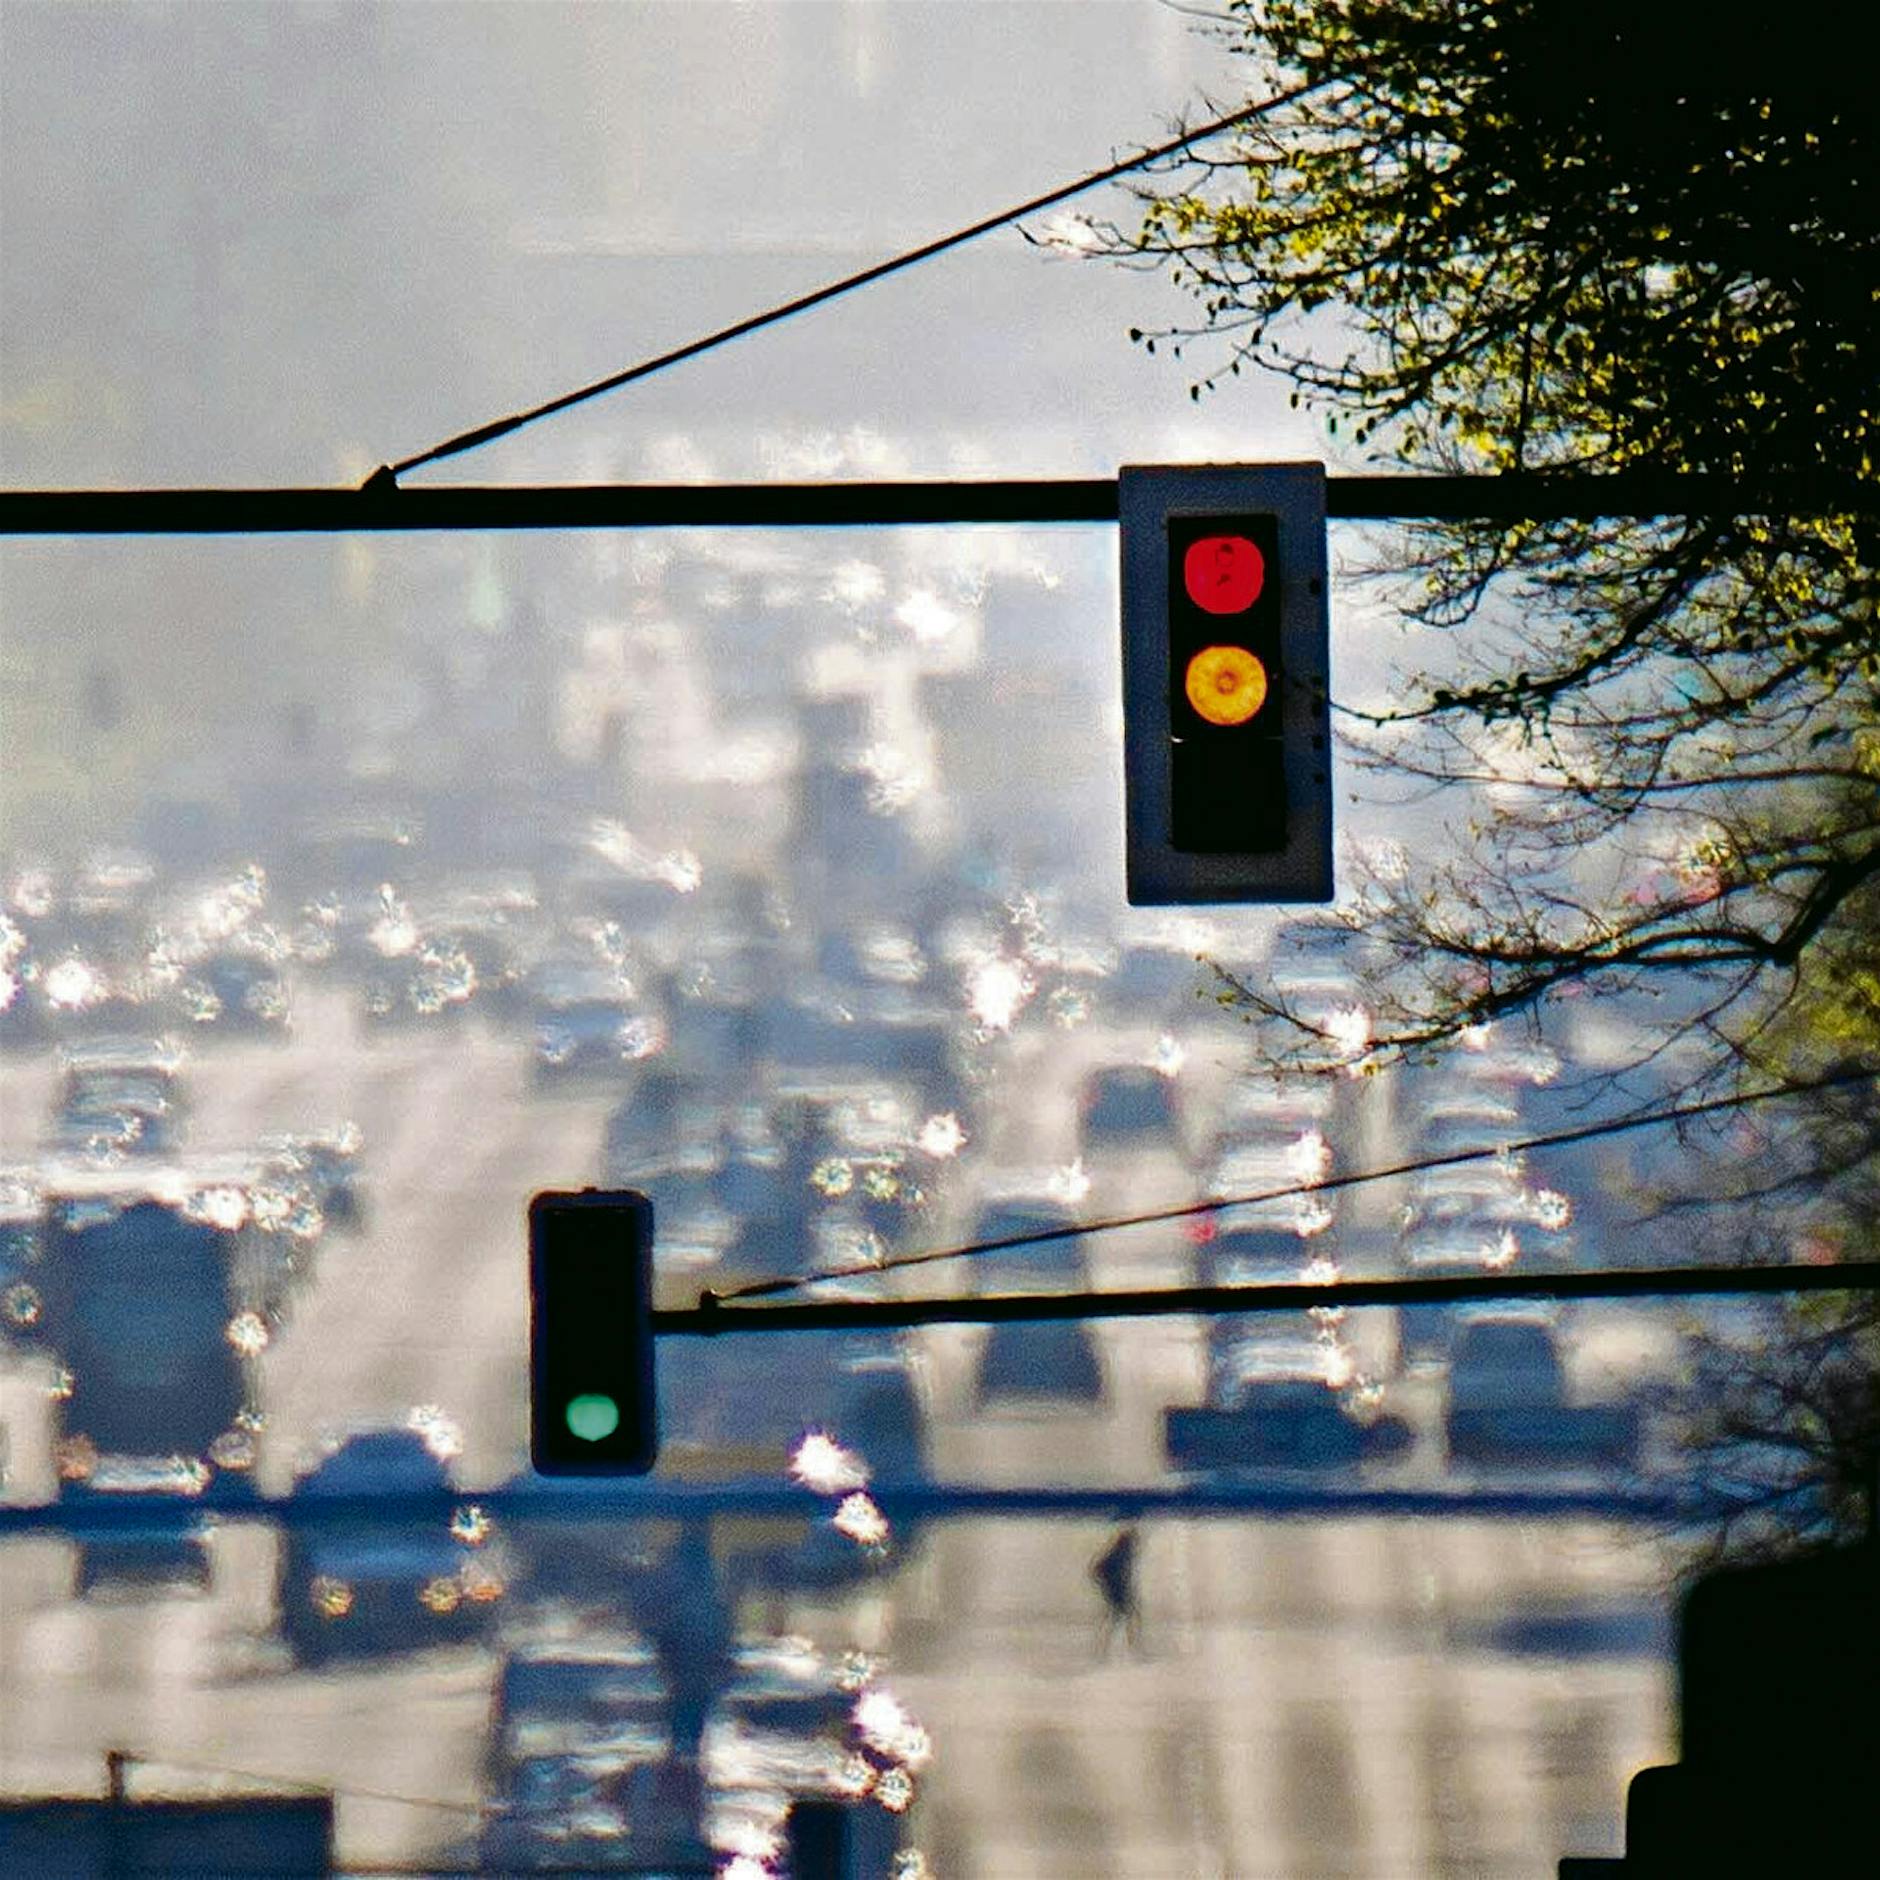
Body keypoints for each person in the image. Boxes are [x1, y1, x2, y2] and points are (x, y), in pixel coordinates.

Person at [1092, 1521, 1143, 1658]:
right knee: (1124, 1616)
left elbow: (1098, 1570)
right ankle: (1130, 1649)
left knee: (1120, 1616)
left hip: (1117, 1588)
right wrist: (1116, 1587)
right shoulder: (1122, 1553)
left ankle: (1107, 1649)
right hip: (1117, 1588)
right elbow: (1099, 1570)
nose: (1137, 1545)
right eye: (1135, 1540)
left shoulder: (1120, 1552)